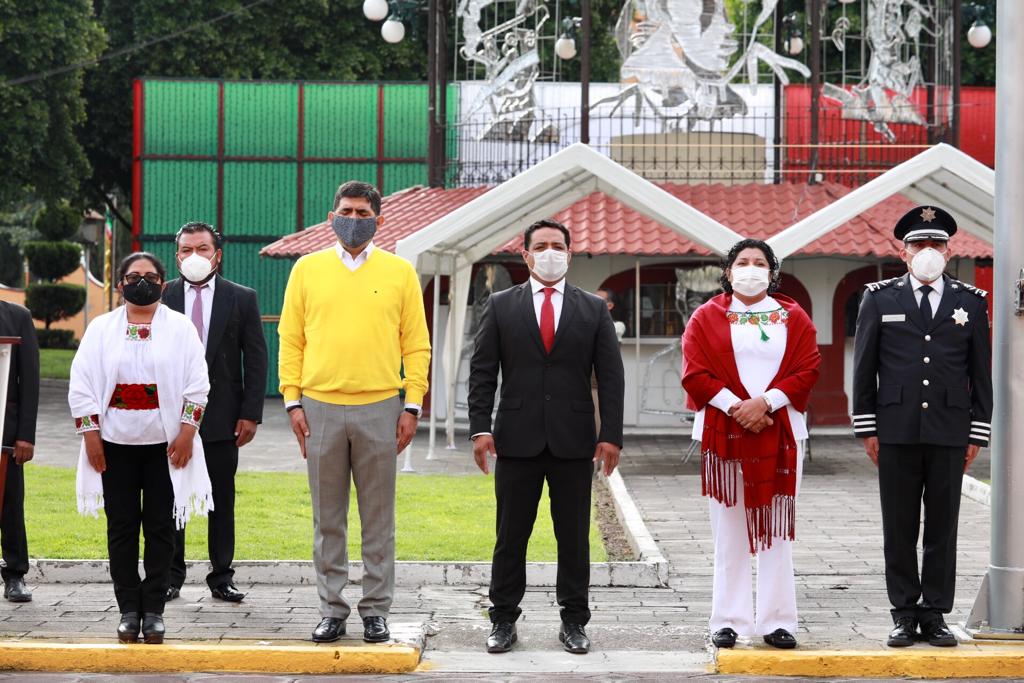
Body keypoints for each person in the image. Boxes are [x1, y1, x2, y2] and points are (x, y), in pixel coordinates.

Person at [279, 180, 431, 644]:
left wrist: (412, 403)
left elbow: (416, 344)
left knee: (378, 517)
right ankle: (332, 608)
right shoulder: (307, 269)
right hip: (319, 406)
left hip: (381, 407)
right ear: (331, 216)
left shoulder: (401, 272)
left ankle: (375, 610)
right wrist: (292, 399)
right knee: (328, 517)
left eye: (364, 213)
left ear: (379, 220)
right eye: (346, 210)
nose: (354, 218)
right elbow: (291, 338)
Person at [468, 219, 625, 655]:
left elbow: (610, 377)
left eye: (558, 245)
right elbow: (482, 372)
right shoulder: (500, 305)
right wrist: (480, 429)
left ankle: (574, 621)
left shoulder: (593, 309)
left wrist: (611, 434)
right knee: (510, 534)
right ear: (526, 254)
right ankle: (502, 619)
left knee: (573, 536)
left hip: (574, 442)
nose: (550, 251)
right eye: (541, 245)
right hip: (515, 440)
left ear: (570, 254)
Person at [853, 206, 992, 648]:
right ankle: (903, 613)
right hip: (894, 429)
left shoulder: (970, 301)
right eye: (919, 244)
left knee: (942, 527)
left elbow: (980, 371)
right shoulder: (879, 297)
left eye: (936, 244)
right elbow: (864, 368)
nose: (927, 251)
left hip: (950, 429)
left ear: (949, 252)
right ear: (903, 252)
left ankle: (934, 613)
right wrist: (867, 427)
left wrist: (977, 430)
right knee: (899, 525)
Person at [681, 239, 820, 650]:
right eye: (742, 262)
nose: (751, 268)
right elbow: (694, 370)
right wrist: (735, 405)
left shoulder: (792, 316)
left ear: (772, 273)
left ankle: (778, 621)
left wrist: (767, 402)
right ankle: (729, 620)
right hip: (723, 430)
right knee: (729, 532)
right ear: (728, 272)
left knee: (777, 529)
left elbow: (808, 365)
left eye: (760, 263)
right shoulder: (707, 316)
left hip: (782, 431)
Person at [68, 252, 214, 644]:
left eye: (150, 276)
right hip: (113, 445)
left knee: (161, 528)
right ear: (120, 284)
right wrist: (91, 436)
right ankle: (128, 610)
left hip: (166, 446)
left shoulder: (182, 329)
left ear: (164, 284)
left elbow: (197, 384)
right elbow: (81, 385)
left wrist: (186, 432)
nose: (142, 282)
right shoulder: (101, 329)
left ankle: (154, 611)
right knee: (122, 528)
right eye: (133, 276)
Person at [163, 222, 268, 604]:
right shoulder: (162, 297)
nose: (194, 256)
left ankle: (221, 575)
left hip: (224, 418)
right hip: (169, 419)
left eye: (202, 249)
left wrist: (251, 413)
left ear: (217, 254)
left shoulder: (241, 298)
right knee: (170, 497)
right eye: (186, 249)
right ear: (177, 256)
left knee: (221, 498)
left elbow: (255, 359)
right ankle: (170, 575)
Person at [0, 301, 39, 603]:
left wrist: (25, 436)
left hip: (7, 433)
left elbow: (29, 381)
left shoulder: (17, 316)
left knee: (11, 503)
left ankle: (15, 575)